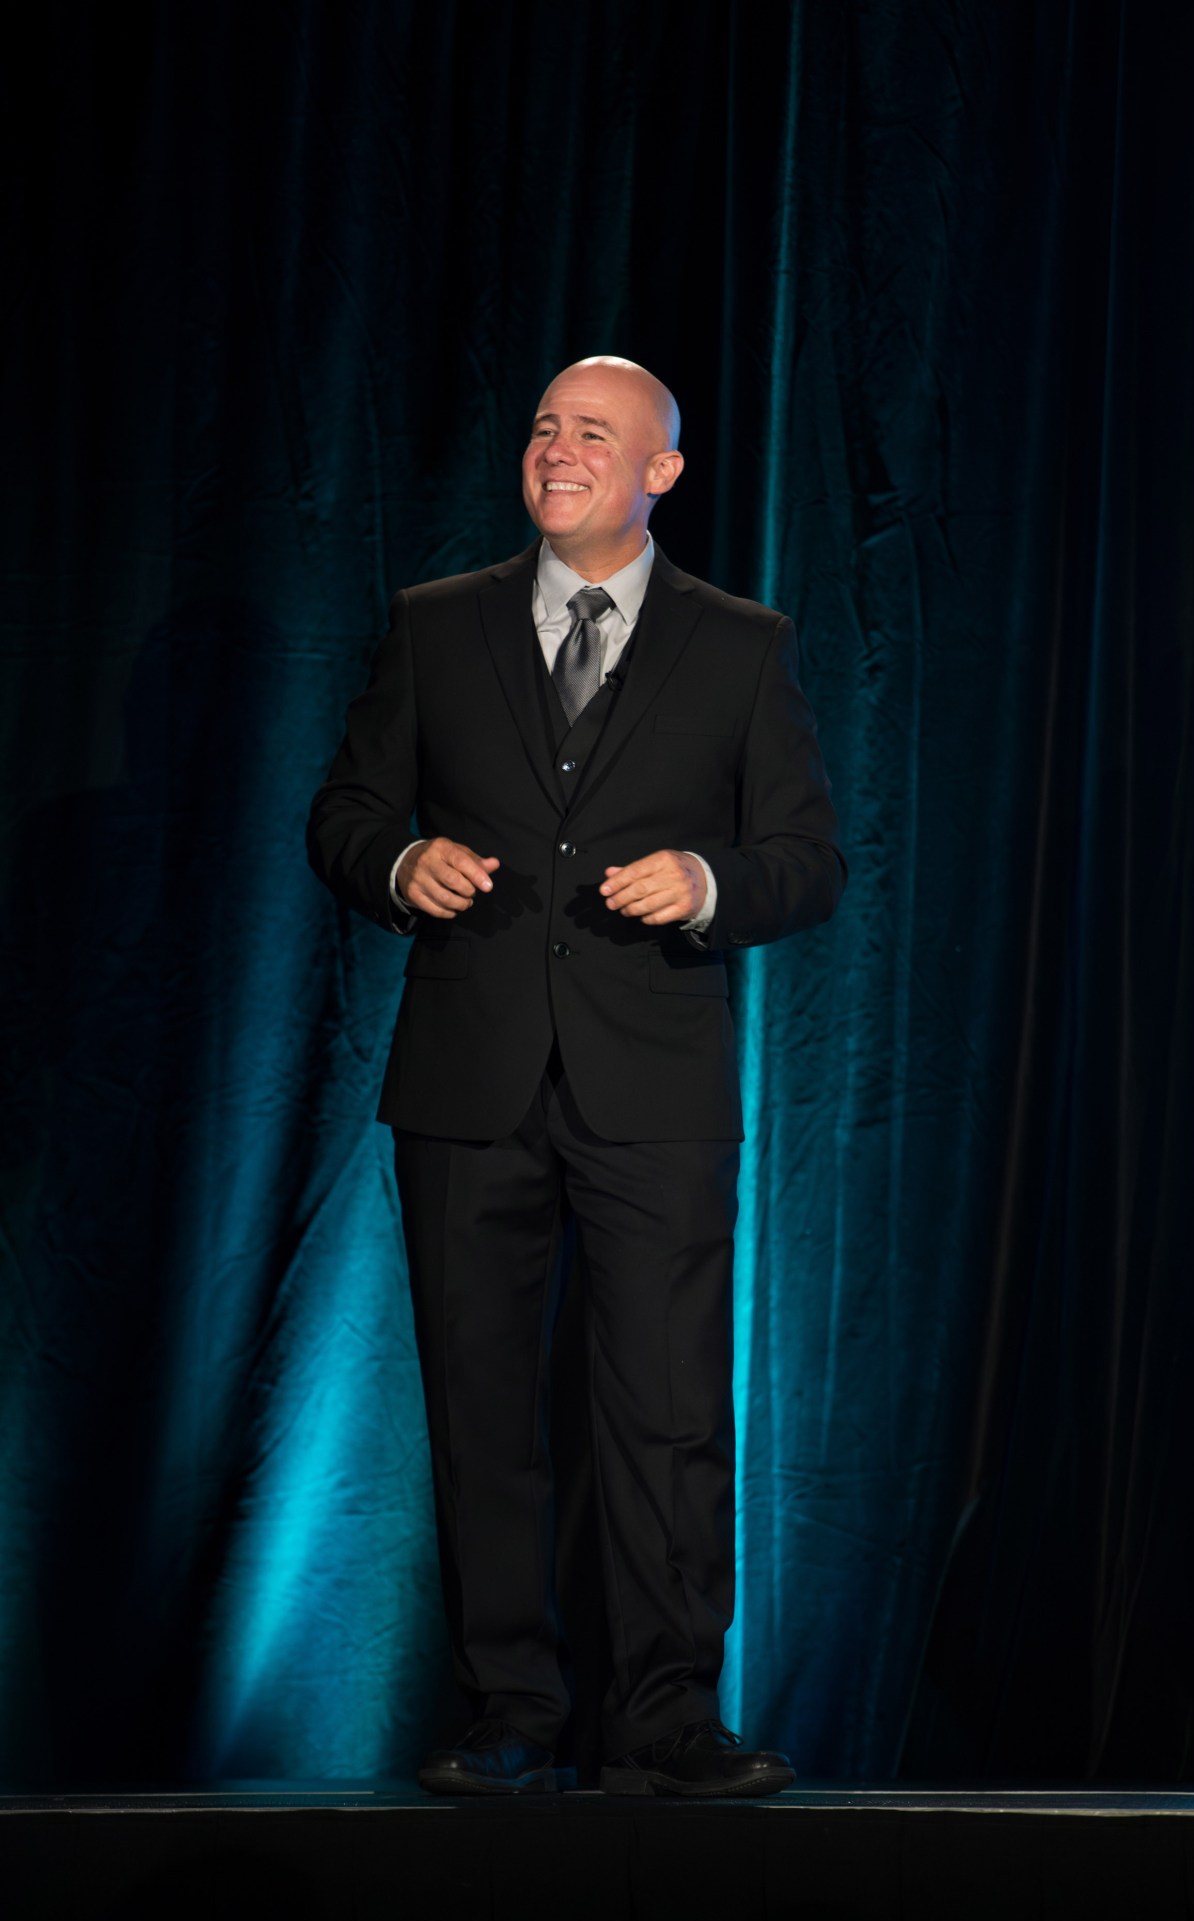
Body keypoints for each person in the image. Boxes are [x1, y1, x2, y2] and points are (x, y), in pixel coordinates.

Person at [307, 356, 845, 1797]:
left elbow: (809, 861)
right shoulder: (438, 627)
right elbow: (346, 812)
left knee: (664, 1414)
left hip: (653, 1089)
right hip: (467, 1082)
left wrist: (713, 878)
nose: (558, 447)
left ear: (659, 472)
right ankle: (510, 1714)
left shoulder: (738, 646)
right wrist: (396, 858)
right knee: (482, 1411)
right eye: (543, 424)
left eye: (594, 433)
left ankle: (666, 1717)